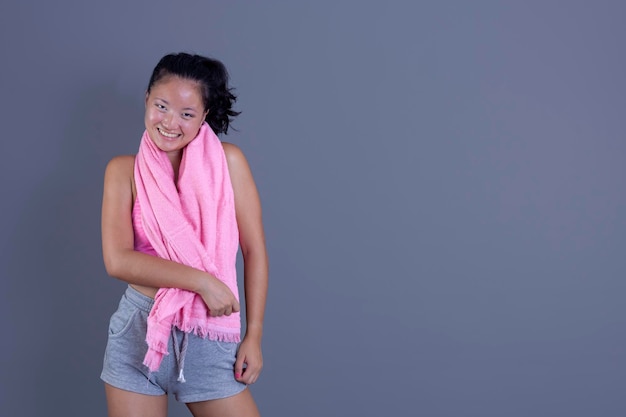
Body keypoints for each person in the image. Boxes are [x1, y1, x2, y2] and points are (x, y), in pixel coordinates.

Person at [100, 52, 268, 417]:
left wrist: (253, 335)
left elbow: (253, 250)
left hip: (209, 337)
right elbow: (118, 260)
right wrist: (202, 282)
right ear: (146, 98)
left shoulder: (230, 163)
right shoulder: (123, 171)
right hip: (140, 332)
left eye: (187, 114)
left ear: (204, 116)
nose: (170, 122)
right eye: (161, 106)